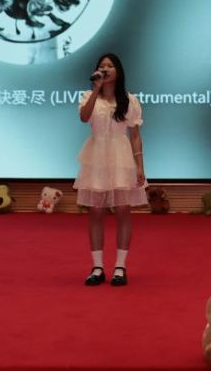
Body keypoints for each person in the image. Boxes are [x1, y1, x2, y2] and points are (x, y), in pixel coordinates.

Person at [74, 52, 147, 286]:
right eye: (102, 66)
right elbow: (84, 117)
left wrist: (140, 166)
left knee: (123, 210)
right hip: (96, 155)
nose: (105, 69)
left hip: (121, 156)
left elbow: (135, 135)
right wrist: (96, 89)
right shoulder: (89, 96)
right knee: (96, 211)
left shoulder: (129, 100)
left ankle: (120, 267)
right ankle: (97, 267)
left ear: (118, 71)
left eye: (110, 66)